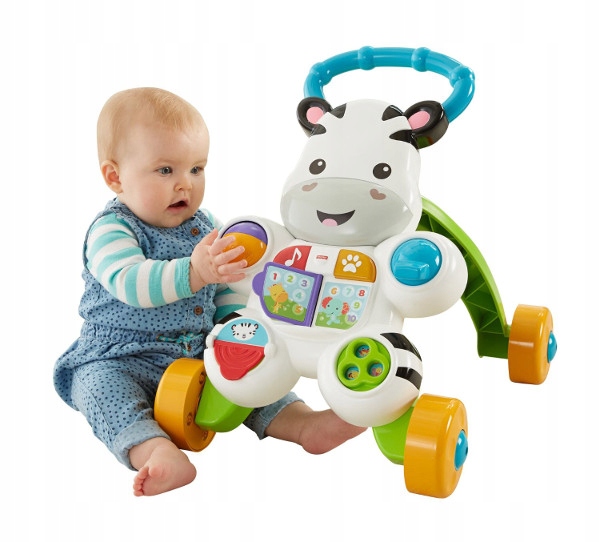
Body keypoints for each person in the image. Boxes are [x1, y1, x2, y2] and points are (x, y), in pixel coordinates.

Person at [53, 87, 365, 497]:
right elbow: (130, 282)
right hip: (121, 356)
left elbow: (228, 286)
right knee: (100, 392)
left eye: (196, 168)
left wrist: (237, 325)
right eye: (165, 170)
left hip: (199, 352)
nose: (185, 184)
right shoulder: (112, 229)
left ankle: (302, 423)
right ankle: (156, 451)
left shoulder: (207, 227)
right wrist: (195, 271)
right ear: (115, 177)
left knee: (252, 373)